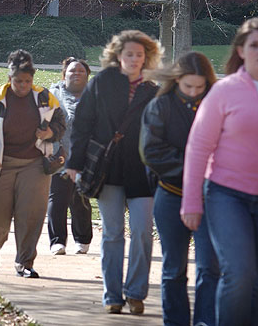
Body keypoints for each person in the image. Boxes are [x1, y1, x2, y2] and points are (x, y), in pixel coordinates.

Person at [65, 30, 162, 314]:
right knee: (113, 233)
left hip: (142, 172)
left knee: (143, 232)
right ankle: (113, 295)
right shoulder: (103, 82)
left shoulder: (153, 89)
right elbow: (83, 123)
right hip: (108, 169)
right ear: (118, 55)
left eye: (139, 55)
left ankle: (135, 292)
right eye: (129, 54)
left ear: (146, 58)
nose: (134, 59)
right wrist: (74, 162)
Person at [181, 18, 258, 326]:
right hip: (227, 195)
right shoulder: (224, 92)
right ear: (241, 50)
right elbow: (198, 148)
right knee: (238, 272)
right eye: (254, 45)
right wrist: (191, 202)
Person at [0, 50, 65, 279]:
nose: (23, 86)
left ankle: (24, 262)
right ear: (9, 78)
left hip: (34, 164)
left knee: (31, 215)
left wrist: (51, 131)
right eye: (18, 81)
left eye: (28, 81)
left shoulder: (44, 98)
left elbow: (61, 124)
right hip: (0, 164)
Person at [140, 52, 219, 326]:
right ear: (176, 81)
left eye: (200, 87)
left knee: (210, 267)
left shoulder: (216, 103)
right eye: (188, 87)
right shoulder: (160, 106)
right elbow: (152, 152)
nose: (194, 93)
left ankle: (206, 321)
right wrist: (193, 169)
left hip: (212, 198)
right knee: (174, 268)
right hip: (172, 195)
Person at [47, 57, 93, 256]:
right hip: (59, 155)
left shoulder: (95, 96)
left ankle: (82, 239)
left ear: (87, 75)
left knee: (80, 199)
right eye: (72, 71)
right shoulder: (52, 95)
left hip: (86, 158)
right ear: (64, 74)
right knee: (57, 198)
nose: (77, 74)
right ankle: (57, 241)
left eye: (81, 71)